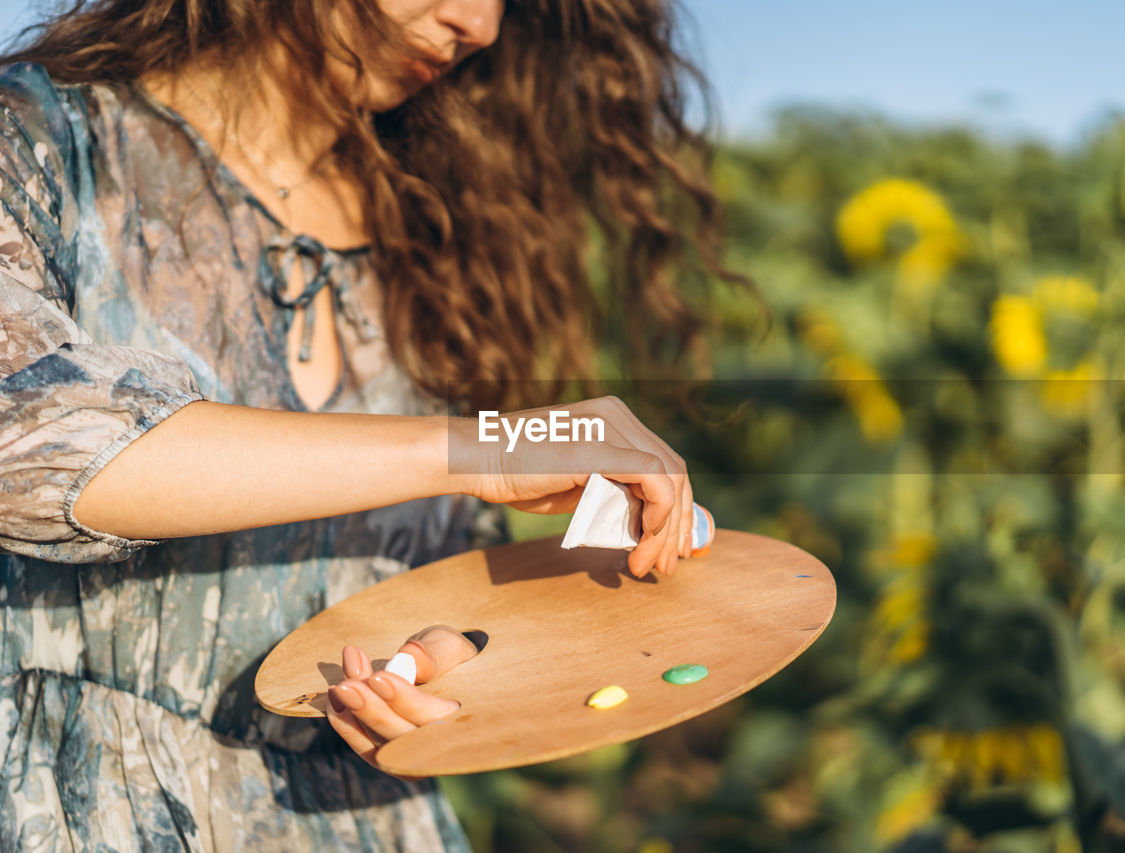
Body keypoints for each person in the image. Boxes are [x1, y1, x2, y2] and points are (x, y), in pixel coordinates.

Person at [0, 0, 752, 848]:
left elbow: (437, 587)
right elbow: (25, 441)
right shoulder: (36, 143)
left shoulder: (436, 236)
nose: (481, 24)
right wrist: (485, 450)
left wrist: (432, 661)